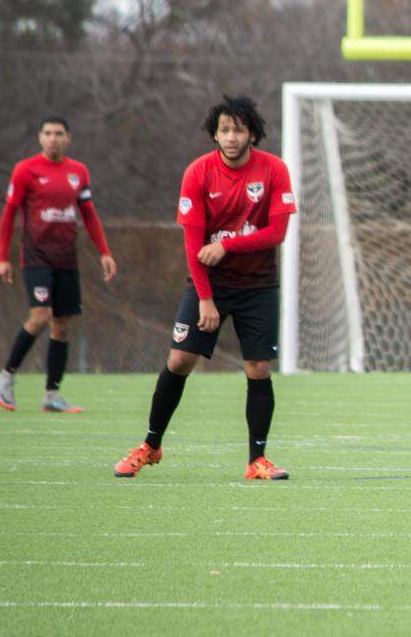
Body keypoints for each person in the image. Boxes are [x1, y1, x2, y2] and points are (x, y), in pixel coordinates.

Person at [113, 95, 297, 481]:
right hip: (208, 284)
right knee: (180, 361)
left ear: (253, 134)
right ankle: (150, 446)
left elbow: (277, 232)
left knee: (258, 368)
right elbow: (193, 245)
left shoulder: (275, 171)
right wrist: (206, 299)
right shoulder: (198, 173)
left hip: (258, 286)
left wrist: (227, 245)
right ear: (215, 134)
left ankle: (257, 461)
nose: (231, 137)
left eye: (238, 129)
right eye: (224, 129)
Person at [0, 117, 117, 413]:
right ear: (39, 137)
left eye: (58, 134)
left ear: (68, 138)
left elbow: (89, 214)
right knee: (39, 316)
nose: (53, 139)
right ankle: (6, 376)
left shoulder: (78, 172)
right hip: (36, 256)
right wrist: (2, 258)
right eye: (47, 133)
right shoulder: (26, 170)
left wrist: (105, 252)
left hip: (66, 258)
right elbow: (9, 214)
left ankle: (52, 395)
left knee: (61, 325)